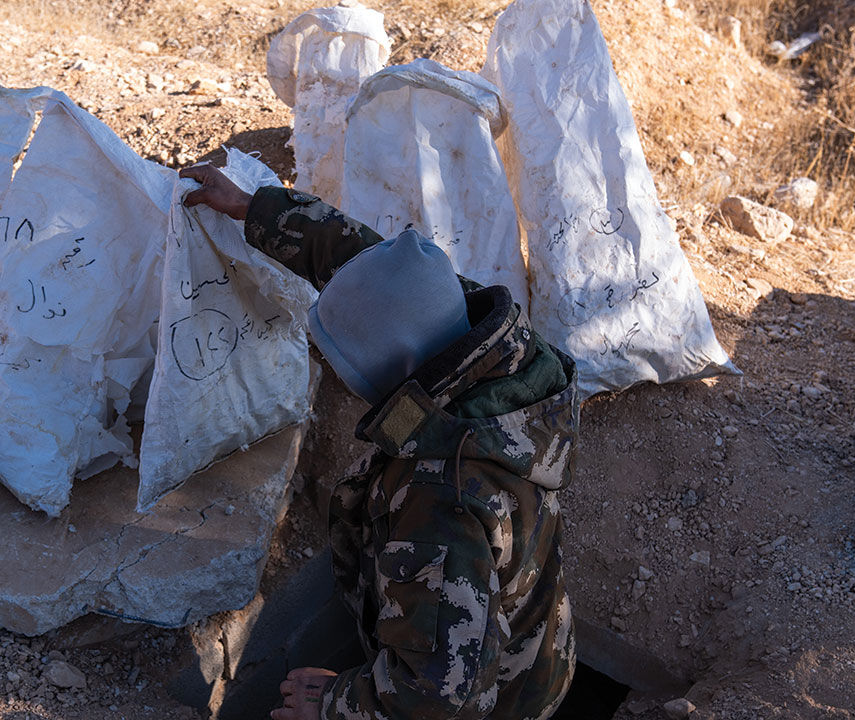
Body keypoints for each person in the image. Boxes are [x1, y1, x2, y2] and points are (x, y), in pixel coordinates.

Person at [180, 164, 580, 720]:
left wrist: (336, 705)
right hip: (535, 651)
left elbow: (446, 700)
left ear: (397, 373)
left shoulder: (440, 503)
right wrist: (259, 210)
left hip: (497, 701)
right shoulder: (492, 350)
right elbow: (378, 276)